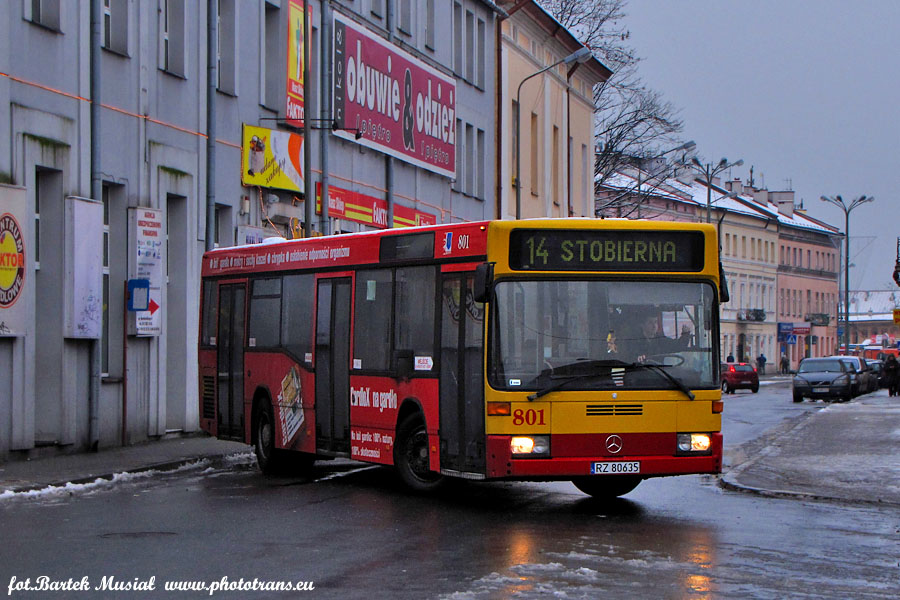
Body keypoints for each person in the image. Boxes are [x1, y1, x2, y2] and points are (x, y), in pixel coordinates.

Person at [621, 310, 691, 364]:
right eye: (650, 323)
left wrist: (685, 334)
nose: (654, 326)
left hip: (659, 376)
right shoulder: (634, 341)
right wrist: (637, 359)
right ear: (642, 325)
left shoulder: (661, 341)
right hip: (638, 377)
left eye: (655, 322)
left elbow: (678, 346)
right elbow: (627, 358)